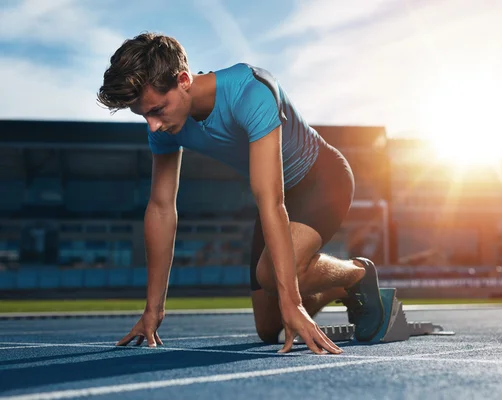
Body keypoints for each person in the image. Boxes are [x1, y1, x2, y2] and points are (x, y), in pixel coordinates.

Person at [97, 32, 385, 355]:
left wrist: (292, 302)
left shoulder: (251, 93)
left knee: (271, 276)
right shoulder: (166, 126)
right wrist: (153, 310)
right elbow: (162, 207)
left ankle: (358, 273)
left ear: (182, 80)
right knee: (267, 327)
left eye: (157, 110)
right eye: (145, 115)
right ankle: (338, 288)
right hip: (279, 195)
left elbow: (270, 200)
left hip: (322, 178)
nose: (152, 126)